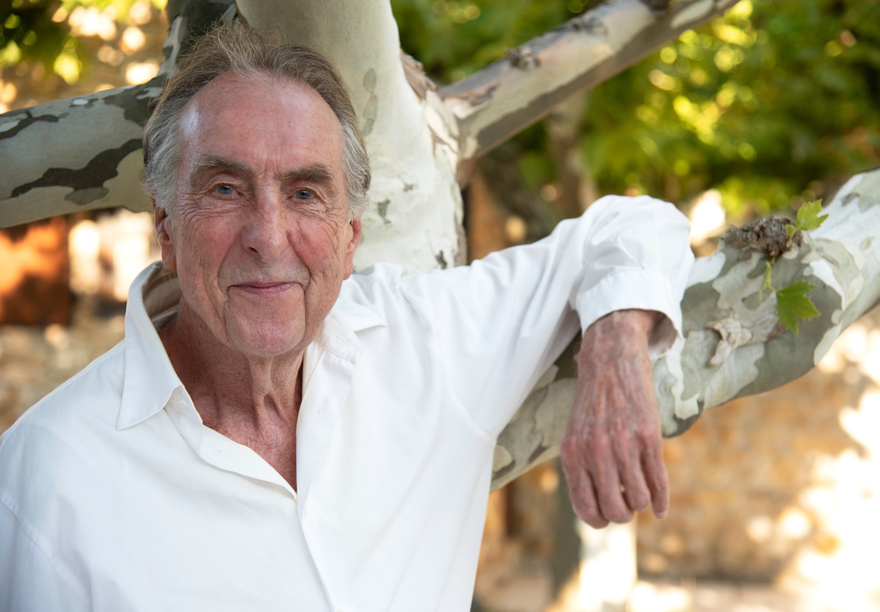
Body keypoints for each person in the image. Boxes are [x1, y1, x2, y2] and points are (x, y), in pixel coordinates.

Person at [0, 23, 693, 612]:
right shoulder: (48, 473)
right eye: (225, 188)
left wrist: (615, 347)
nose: (268, 237)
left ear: (350, 235)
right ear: (166, 228)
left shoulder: (423, 343)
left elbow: (632, 227)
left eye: (305, 193)